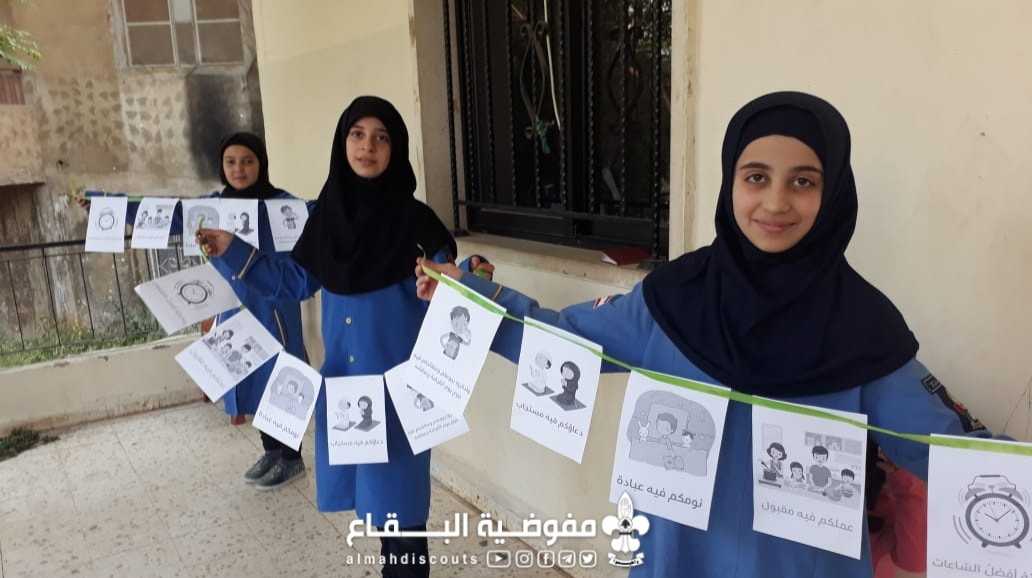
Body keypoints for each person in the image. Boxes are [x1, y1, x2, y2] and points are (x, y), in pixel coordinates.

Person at [416, 91, 993, 577]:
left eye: (803, 181)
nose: (775, 202)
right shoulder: (672, 300)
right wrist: (471, 298)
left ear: (835, 191)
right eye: (756, 176)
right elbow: (562, 343)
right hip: (676, 560)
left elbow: (953, 454)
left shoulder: (864, 331)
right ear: (730, 182)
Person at [197, 95, 493, 578]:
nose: (367, 146)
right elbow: (293, 281)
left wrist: (472, 275)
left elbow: (448, 291)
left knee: (401, 509)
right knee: (374, 502)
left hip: (398, 390)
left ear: (396, 148)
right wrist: (234, 250)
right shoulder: (327, 220)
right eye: (357, 134)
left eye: (381, 137)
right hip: (346, 389)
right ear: (342, 143)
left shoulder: (418, 223)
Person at [81, 132, 310, 490]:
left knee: (280, 380)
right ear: (221, 166)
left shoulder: (282, 205)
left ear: (261, 164)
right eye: (231, 162)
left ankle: (292, 457)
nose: (239, 169)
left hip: (274, 307)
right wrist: (104, 206)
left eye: (247, 161)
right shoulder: (212, 207)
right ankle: (271, 451)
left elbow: (318, 220)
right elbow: (165, 214)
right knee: (249, 377)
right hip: (235, 308)